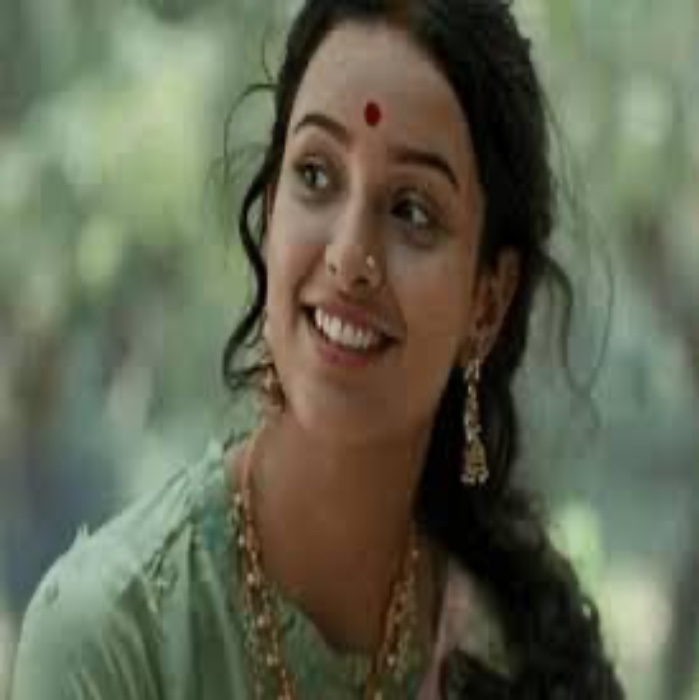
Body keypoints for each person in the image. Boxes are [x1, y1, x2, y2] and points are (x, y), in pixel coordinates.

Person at [12, 0, 626, 698]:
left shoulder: (514, 650)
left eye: (412, 211)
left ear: (487, 302)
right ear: (272, 210)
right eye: (316, 175)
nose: (349, 255)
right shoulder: (115, 642)